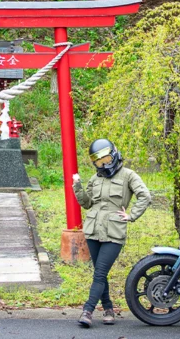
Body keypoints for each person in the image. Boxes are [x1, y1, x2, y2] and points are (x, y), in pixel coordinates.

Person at [72, 138, 151, 328]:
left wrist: (131, 215)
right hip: (93, 230)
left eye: (106, 158)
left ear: (113, 154)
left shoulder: (128, 175)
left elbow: (145, 196)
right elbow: (87, 203)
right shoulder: (95, 178)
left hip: (114, 232)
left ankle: (88, 310)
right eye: (98, 161)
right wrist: (77, 186)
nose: (103, 164)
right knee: (101, 272)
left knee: (99, 274)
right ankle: (108, 309)